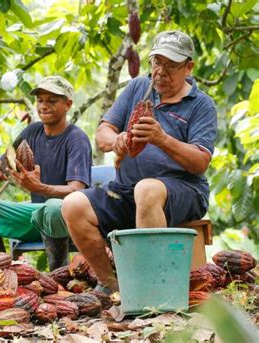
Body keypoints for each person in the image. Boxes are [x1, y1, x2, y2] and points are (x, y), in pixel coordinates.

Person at [61, 30, 217, 294]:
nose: (161, 72)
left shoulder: (201, 104)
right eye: (157, 63)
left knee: (147, 188)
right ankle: (110, 285)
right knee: (73, 204)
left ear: (189, 67)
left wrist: (162, 139)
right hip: (127, 189)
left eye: (171, 66)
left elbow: (200, 162)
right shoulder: (137, 87)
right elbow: (103, 133)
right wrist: (116, 140)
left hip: (183, 191)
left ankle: (154, 291)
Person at [0, 76, 92, 271]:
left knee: (53, 208)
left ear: (67, 104)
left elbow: (77, 191)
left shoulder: (77, 139)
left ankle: (59, 277)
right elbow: (3, 164)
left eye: (51, 101)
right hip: (36, 217)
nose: (44, 106)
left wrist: (40, 188)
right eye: (40, 100)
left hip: (68, 220)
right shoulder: (32, 132)